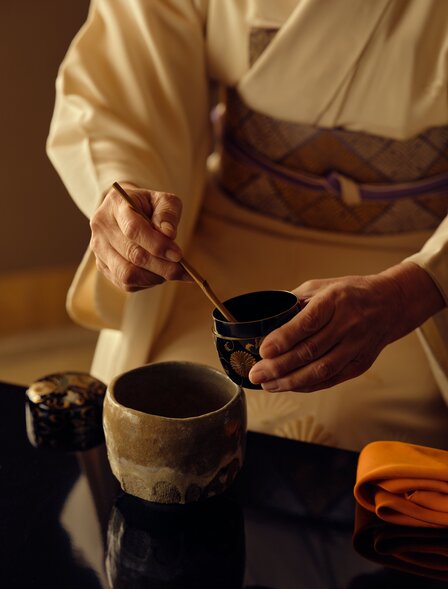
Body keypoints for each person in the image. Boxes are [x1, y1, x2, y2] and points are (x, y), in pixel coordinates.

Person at [47, 0, 448, 452]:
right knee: (156, 406)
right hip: (225, 229)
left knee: (356, 428)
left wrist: (413, 289)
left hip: (418, 257)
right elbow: (121, 74)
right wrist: (126, 196)